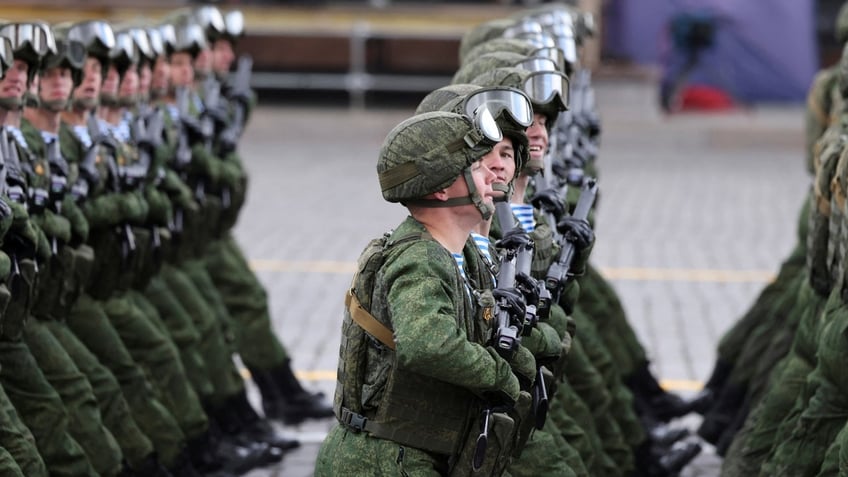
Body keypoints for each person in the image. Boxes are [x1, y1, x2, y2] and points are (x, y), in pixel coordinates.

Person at [315, 110, 535, 476]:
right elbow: (427, 343)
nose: (489, 175)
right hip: (384, 462)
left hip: (416, 455)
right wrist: (500, 376)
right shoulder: (419, 257)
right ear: (442, 186)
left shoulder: (465, 254)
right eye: (477, 166)